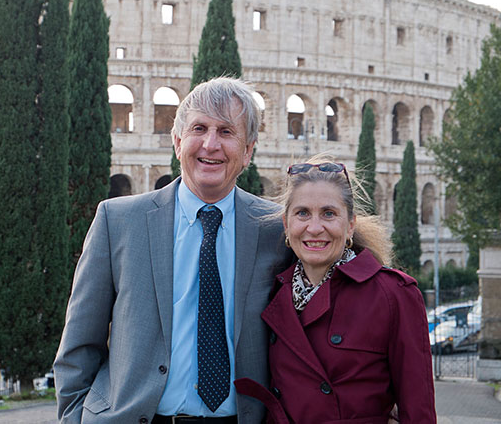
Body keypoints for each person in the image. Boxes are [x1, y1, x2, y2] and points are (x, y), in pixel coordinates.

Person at [54, 77, 294, 423]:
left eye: (227, 132)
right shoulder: (118, 221)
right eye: (199, 128)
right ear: (178, 141)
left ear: (248, 152)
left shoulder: (275, 229)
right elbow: (79, 344)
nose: (210, 144)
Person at [234, 156, 436, 423]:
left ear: (350, 224)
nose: (315, 228)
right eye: (302, 213)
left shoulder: (393, 295)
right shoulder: (272, 293)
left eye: (329, 213)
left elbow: (418, 411)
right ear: (286, 224)